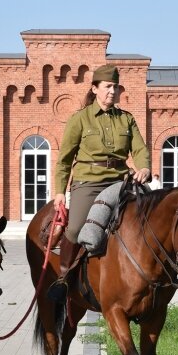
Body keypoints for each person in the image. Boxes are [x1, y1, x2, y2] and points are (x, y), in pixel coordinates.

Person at [47, 64, 151, 303]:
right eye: (107, 87)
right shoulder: (80, 119)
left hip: (120, 181)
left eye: (115, 87)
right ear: (95, 89)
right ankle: (64, 278)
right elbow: (64, 160)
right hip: (89, 182)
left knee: (147, 218)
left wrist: (144, 167)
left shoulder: (127, 119)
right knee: (74, 229)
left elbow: (140, 149)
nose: (112, 91)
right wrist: (60, 192)